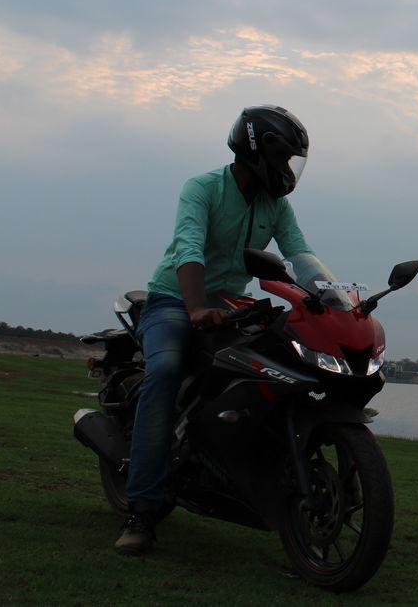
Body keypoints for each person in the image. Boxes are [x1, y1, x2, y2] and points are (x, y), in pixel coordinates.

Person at [114, 105, 315, 556]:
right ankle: (142, 510)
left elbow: (299, 253)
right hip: (172, 299)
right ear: (256, 150)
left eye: (292, 161)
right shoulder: (203, 188)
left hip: (231, 305)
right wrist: (196, 306)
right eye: (283, 158)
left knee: (276, 368)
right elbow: (188, 244)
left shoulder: (275, 204)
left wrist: (328, 295)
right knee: (164, 372)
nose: (287, 170)